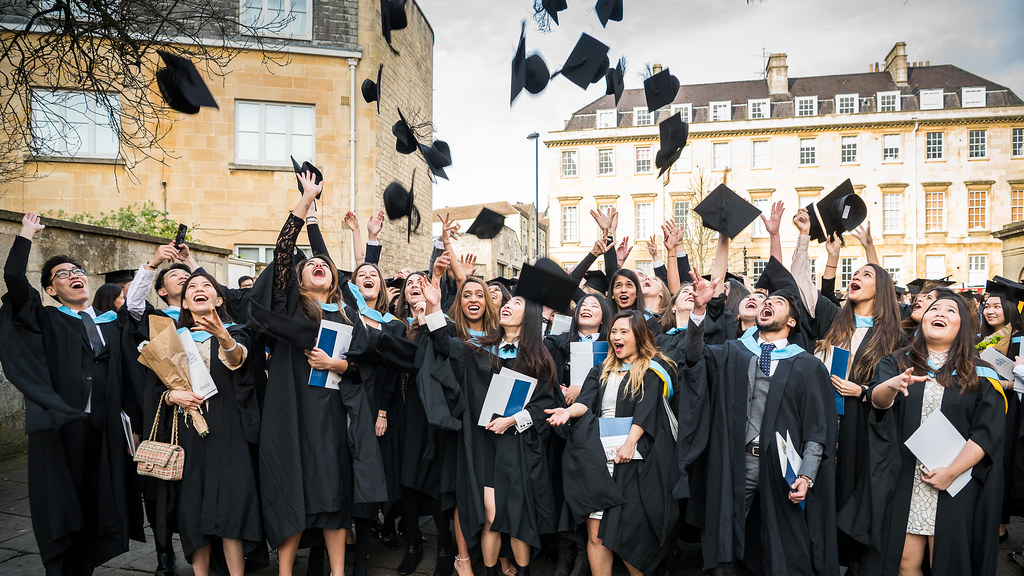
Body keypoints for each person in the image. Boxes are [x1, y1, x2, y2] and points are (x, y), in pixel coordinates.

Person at [249, 173, 378, 576]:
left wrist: (337, 364)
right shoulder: (290, 307)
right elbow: (284, 251)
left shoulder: (348, 313)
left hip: (331, 414)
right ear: (299, 279)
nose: (318, 264)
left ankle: (338, 572)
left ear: (335, 278)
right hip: (290, 410)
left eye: (325, 263)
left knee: (333, 490)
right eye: (312, 264)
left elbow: (361, 366)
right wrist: (306, 202)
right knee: (289, 487)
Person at [0, 212, 142, 575]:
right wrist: (27, 234)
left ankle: (85, 565)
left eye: (78, 270)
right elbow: (15, 278)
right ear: (50, 289)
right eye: (62, 274)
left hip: (104, 428)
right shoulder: (46, 319)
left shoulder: (108, 324)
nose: (74, 275)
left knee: (98, 501)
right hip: (61, 425)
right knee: (62, 501)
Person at [682, 273, 837, 576]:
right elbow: (693, 357)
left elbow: (817, 429)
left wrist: (806, 475)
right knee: (726, 539)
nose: (768, 304)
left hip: (781, 467)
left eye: (778, 302)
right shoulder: (733, 352)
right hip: (734, 462)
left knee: (782, 545)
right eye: (766, 301)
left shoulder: (807, 365)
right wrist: (698, 311)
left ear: (792, 322)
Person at [863, 292, 1005, 576]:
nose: (939, 313)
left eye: (950, 310)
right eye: (933, 308)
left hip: (957, 479)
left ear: (962, 325)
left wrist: (951, 471)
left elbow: (987, 432)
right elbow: (877, 403)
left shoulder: (981, 373)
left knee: (947, 562)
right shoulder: (897, 363)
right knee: (904, 562)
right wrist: (892, 385)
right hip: (906, 478)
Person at [421, 282, 558, 576]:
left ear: (531, 316)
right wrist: (434, 306)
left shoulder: (538, 358)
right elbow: (444, 344)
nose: (507, 305)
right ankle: (491, 571)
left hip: (517, 446)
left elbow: (544, 405)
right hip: (483, 443)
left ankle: (523, 571)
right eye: (508, 303)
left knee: (519, 513)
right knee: (491, 515)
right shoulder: (478, 349)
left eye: (518, 303)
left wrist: (513, 420)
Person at [546, 310, 679, 576]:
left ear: (639, 336)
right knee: (595, 534)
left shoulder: (652, 370)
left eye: (624, 332)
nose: (616, 337)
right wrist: (567, 412)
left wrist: (630, 442)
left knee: (629, 533)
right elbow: (586, 401)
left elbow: (647, 409)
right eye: (614, 332)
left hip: (633, 459)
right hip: (599, 457)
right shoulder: (601, 369)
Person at [154, 271, 262, 575]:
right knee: (192, 509)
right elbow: (155, 390)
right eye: (192, 287)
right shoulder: (171, 339)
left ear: (219, 299)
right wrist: (173, 395)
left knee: (233, 507)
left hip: (230, 433)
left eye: (207, 286)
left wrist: (222, 335)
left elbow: (239, 360)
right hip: (189, 435)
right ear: (184, 302)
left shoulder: (237, 332)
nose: (199, 289)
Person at [978, 287, 1024, 543]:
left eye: (996, 305)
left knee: (1003, 463)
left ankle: (1001, 525)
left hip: (1012, 410)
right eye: (987, 306)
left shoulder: (1020, 339)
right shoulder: (987, 339)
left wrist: (1003, 382)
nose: (990, 310)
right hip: (984, 405)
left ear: (1009, 308)